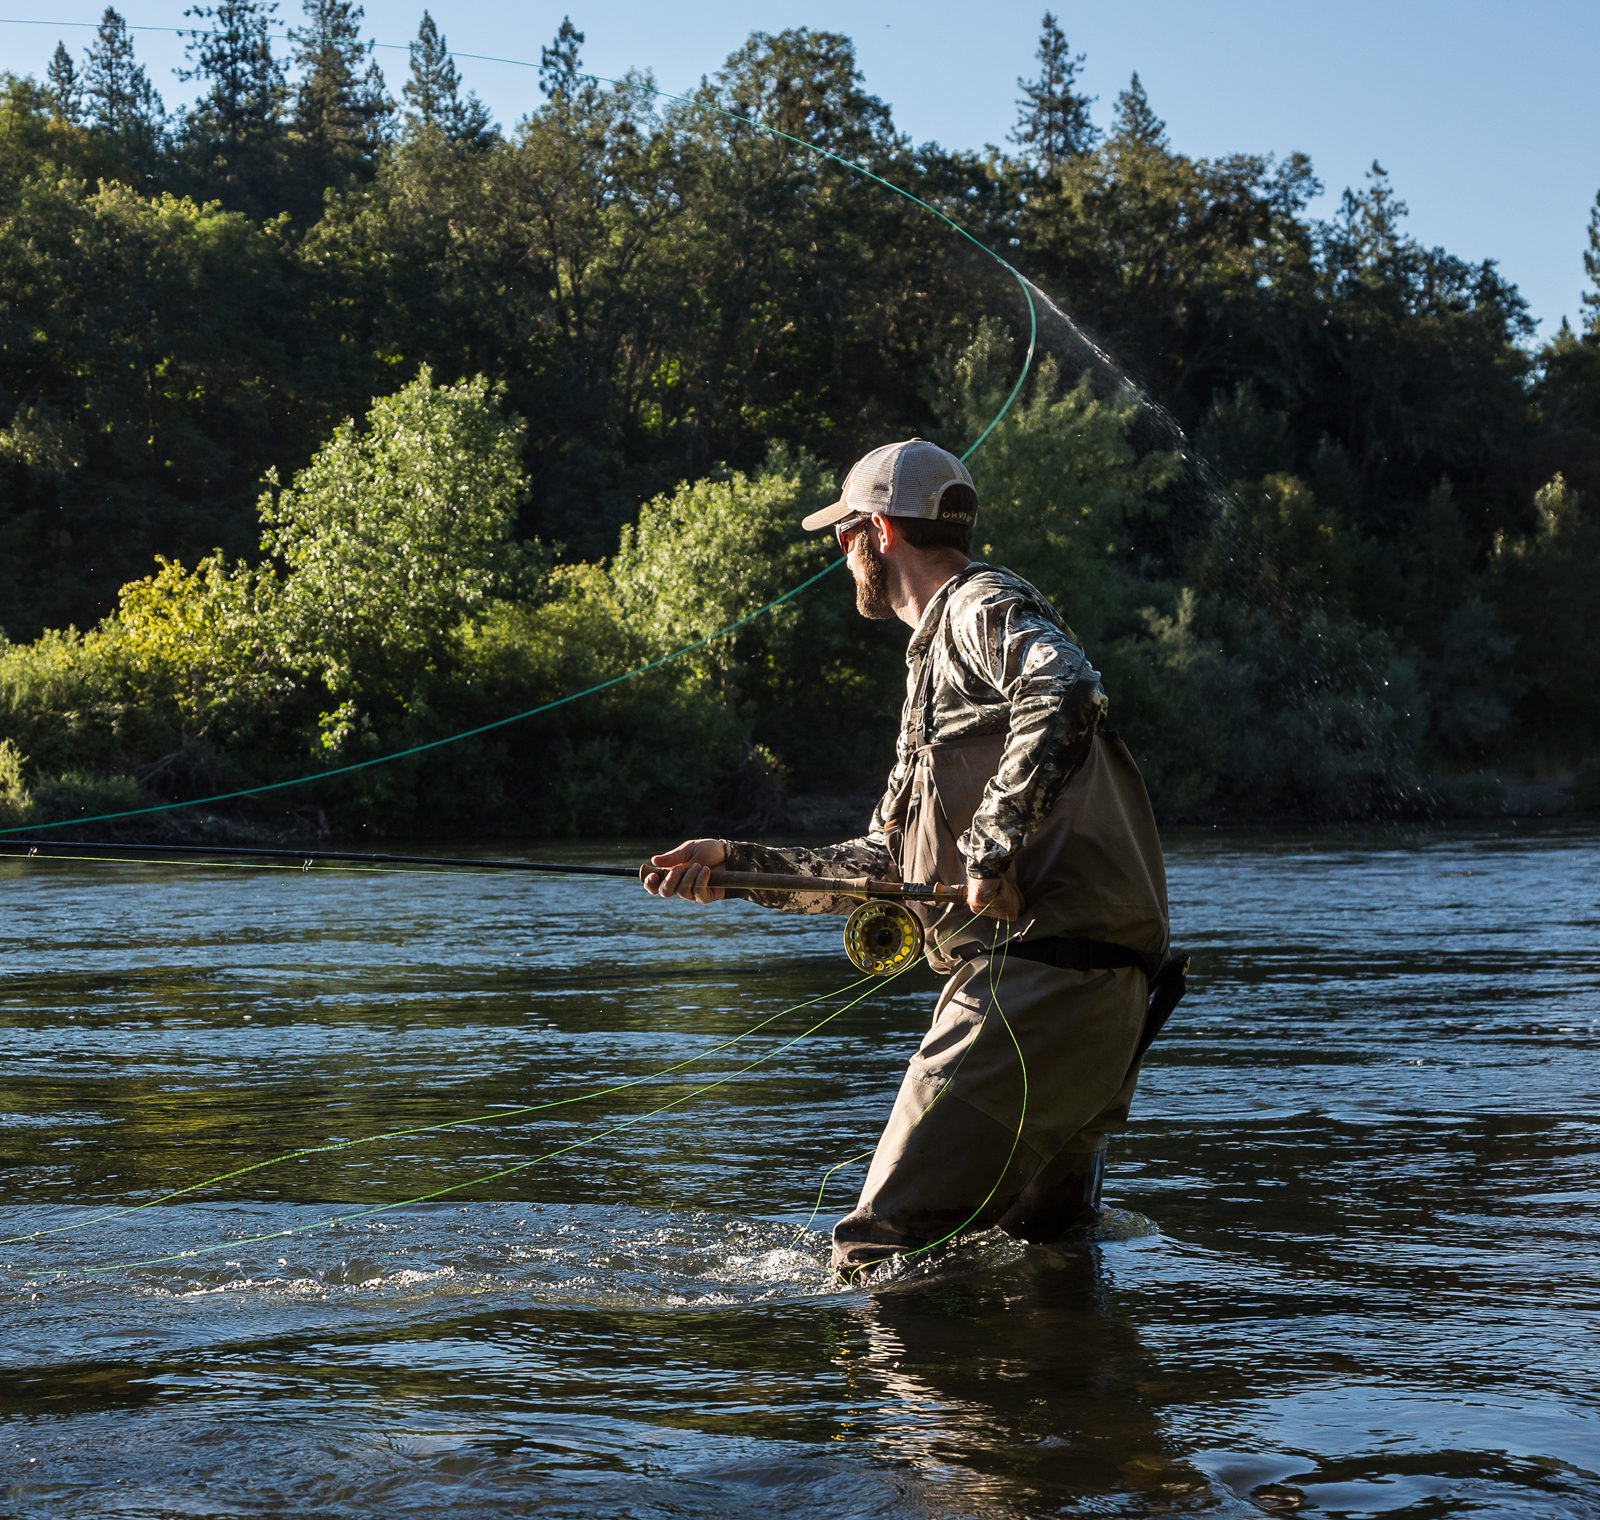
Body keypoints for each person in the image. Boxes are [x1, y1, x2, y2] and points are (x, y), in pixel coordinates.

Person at [644, 438, 1171, 1278]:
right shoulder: (939, 658)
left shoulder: (974, 606)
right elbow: (885, 868)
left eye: (844, 530)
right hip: (1088, 994)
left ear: (880, 531)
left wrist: (992, 848)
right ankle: (1062, 1412)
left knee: (875, 1254)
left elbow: (1066, 686)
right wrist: (734, 865)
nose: (839, 550)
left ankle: (908, 1414)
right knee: (1046, 1266)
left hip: (1028, 987)